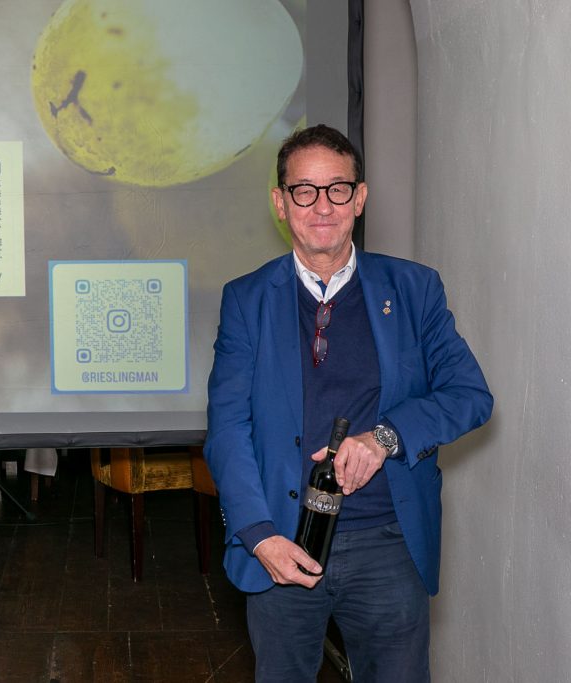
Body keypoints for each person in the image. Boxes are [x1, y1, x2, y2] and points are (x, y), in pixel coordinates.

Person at [204, 124, 492, 681]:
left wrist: (385, 437)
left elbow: (469, 396)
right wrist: (258, 535)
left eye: (337, 189)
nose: (321, 206)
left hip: (389, 543)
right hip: (281, 544)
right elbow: (228, 428)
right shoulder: (246, 300)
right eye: (303, 191)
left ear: (359, 198)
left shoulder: (414, 289)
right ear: (280, 204)